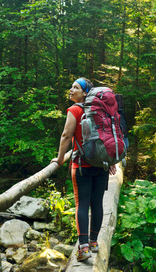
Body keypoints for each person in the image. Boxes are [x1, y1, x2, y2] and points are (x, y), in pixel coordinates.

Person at [51, 77, 116, 261]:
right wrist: (110, 160)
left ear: (85, 92)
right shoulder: (101, 111)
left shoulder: (75, 110)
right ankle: (94, 243)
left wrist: (60, 158)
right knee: (97, 204)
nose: (71, 90)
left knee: (82, 204)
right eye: (71, 86)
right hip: (101, 165)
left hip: (82, 165)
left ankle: (84, 248)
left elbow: (66, 135)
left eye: (75, 87)